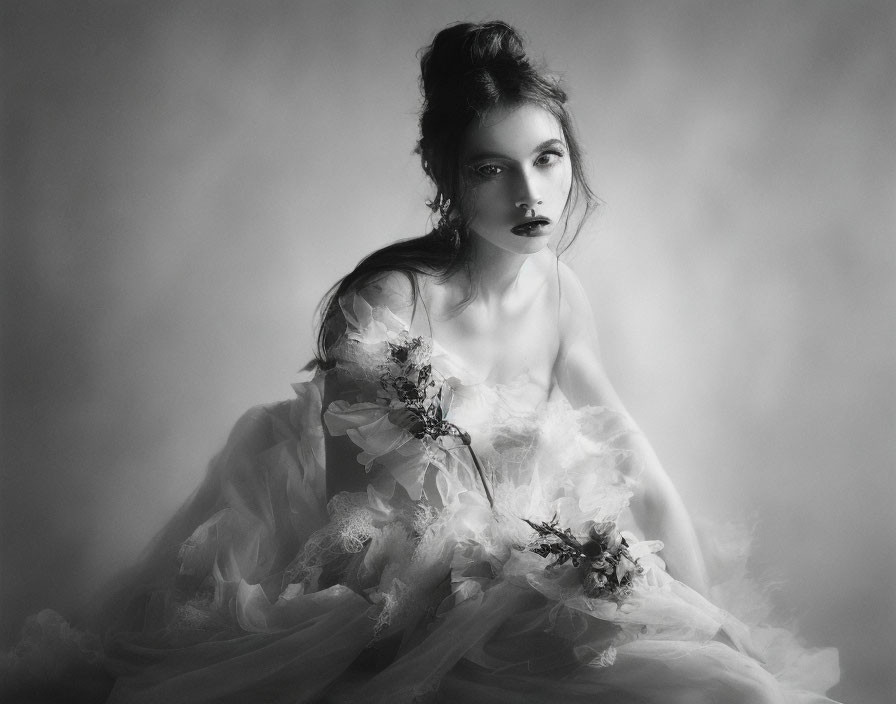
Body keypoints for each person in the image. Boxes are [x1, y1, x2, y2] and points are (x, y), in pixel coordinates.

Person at [2, 20, 841, 704]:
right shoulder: (391, 302)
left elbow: (633, 455)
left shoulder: (559, 290)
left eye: (547, 159)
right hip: (380, 573)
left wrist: (700, 609)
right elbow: (349, 519)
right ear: (448, 180)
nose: (530, 196)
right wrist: (511, 579)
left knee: (723, 679)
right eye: (492, 170)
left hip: (522, 558)